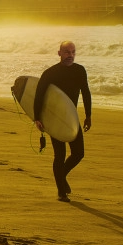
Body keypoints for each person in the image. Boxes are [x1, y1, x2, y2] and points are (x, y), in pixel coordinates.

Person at [33, 40, 91, 202]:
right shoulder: (50, 73)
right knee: (60, 155)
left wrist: (88, 115)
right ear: (59, 53)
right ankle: (61, 192)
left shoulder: (80, 71)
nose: (70, 55)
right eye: (66, 52)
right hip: (54, 118)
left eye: (73, 52)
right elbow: (39, 95)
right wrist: (37, 118)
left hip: (71, 118)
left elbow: (86, 92)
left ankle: (61, 175)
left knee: (79, 153)